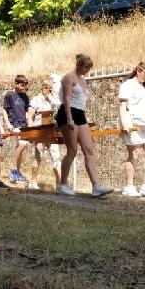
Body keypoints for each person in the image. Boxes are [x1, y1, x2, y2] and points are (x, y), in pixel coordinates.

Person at [56, 54, 112, 197]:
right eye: (86, 67)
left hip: (80, 114)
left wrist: (80, 117)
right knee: (72, 150)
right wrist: (69, 119)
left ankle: (96, 186)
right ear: (79, 65)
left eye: (89, 67)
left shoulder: (83, 80)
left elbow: (80, 101)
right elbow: (66, 99)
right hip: (67, 113)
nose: (87, 70)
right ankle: (62, 185)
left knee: (88, 149)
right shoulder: (69, 77)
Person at [119, 62, 145, 198]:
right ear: (139, 70)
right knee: (134, 154)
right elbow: (123, 105)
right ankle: (129, 187)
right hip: (132, 122)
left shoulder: (143, 87)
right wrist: (125, 123)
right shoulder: (128, 85)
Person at [30, 79, 64, 190]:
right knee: (38, 156)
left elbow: (59, 107)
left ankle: (60, 185)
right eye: (48, 89)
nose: (50, 91)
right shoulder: (36, 99)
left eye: (51, 90)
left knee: (56, 157)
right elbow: (30, 116)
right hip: (39, 131)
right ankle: (33, 182)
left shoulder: (52, 100)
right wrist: (31, 132)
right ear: (43, 88)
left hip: (51, 131)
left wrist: (51, 99)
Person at [3, 74, 34, 187]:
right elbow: (4, 110)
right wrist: (8, 123)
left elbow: (27, 113)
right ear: (16, 83)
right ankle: (13, 170)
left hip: (24, 124)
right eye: (21, 85)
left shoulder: (25, 96)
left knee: (21, 146)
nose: (23, 87)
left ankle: (17, 173)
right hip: (14, 124)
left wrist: (30, 127)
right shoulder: (9, 95)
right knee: (22, 144)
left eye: (25, 85)